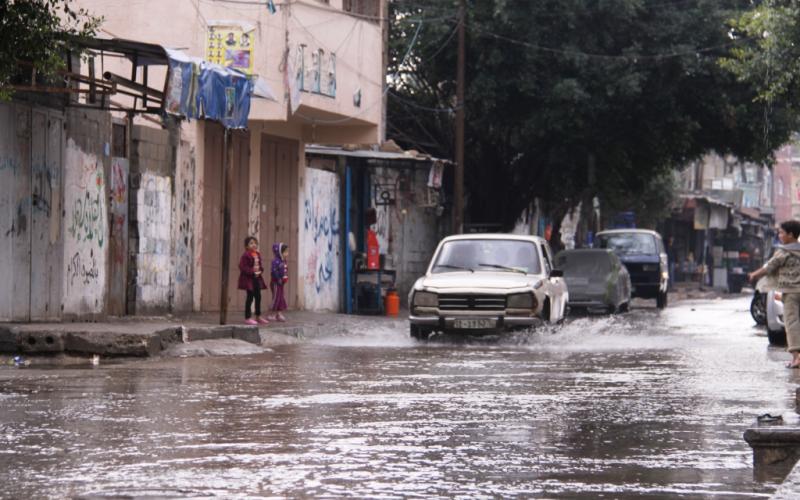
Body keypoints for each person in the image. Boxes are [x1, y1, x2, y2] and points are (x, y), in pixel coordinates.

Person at [748, 220, 800, 368]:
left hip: (791, 292)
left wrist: (754, 274)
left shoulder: (784, 252)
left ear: (790, 235)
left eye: (782, 233)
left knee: (792, 324)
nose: (779, 235)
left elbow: (769, 267)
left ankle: (797, 358)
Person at [237, 236, 268, 325]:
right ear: (246, 246)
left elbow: (260, 265)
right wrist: (252, 272)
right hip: (249, 280)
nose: (253, 245)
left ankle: (258, 316)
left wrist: (261, 270)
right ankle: (247, 318)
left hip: (257, 279)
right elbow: (242, 267)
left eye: (255, 243)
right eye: (251, 243)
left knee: (258, 297)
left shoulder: (257, 254)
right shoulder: (245, 255)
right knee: (250, 298)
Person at [269, 242, 289, 322]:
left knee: (280, 298)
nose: (287, 253)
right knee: (276, 298)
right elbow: (273, 271)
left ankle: (279, 314)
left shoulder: (283, 261)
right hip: (276, 283)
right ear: (280, 252)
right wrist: (278, 279)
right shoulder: (276, 261)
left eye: (288, 251)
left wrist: (285, 278)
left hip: (281, 284)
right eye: (285, 252)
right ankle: (271, 314)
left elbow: (285, 271)